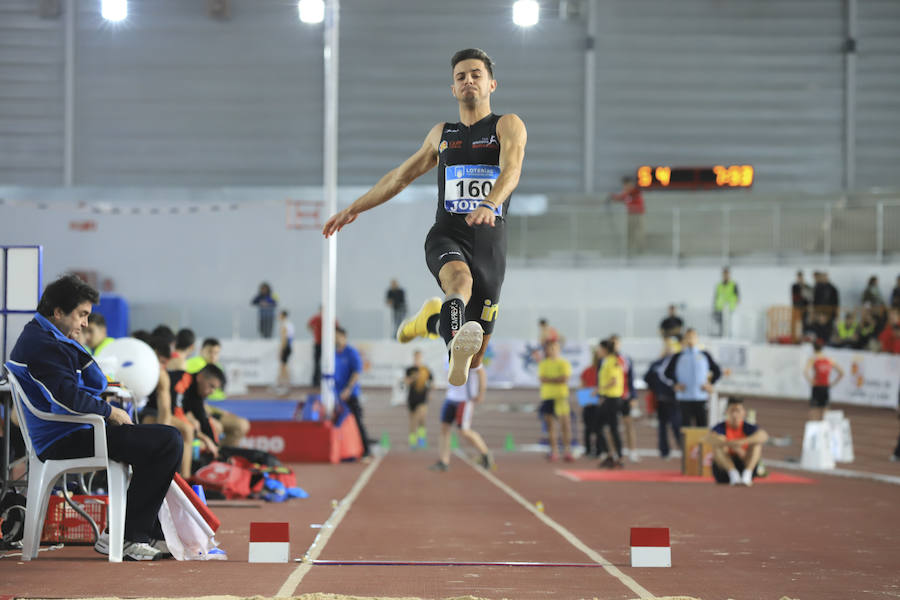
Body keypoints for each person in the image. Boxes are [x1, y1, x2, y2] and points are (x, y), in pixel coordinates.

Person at [322, 48, 527, 388]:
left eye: (476, 74)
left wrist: (490, 203)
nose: (468, 81)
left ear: (492, 84)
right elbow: (399, 177)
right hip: (447, 234)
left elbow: (512, 169)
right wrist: (353, 207)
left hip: (491, 243)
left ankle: (431, 320)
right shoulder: (442, 135)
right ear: (453, 89)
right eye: (460, 77)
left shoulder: (508, 125)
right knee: (459, 282)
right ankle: (451, 346)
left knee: (475, 359)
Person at [9, 274, 181, 560]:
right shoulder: (44, 345)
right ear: (58, 312)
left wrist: (100, 388)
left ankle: (140, 531)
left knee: (157, 443)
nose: (86, 324)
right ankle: (125, 536)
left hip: (70, 432)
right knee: (168, 441)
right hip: (63, 439)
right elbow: (66, 397)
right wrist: (110, 411)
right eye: (82, 315)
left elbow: (81, 382)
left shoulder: (43, 335)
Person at [137, 333, 195, 479]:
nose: (163, 367)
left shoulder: (162, 375)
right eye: (162, 361)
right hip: (132, 414)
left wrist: (164, 437)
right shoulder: (134, 362)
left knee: (186, 430)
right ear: (153, 353)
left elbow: (165, 409)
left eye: (165, 363)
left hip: (148, 413)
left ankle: (184, 479)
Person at [184, 338, 249, 447]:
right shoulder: (192, 366)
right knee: (215, 427)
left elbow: (216, 396)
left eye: (216, 353)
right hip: (196, 412)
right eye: (210, 352)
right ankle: (213, 452)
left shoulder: (217, 369)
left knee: (242, 425)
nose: (213, 356)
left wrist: (218, 411)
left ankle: (220, 452)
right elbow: (190, 400)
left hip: (207, 410)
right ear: (201, 351)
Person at [429, 365, 493, 472]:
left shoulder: (469, 355)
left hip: (465, 399)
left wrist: (481, 393)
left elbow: (481, 372)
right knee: (444, 429)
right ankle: (444, 461)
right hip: (450, 397)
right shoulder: (447, 356)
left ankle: (485, 454)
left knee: (464, 431)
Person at [664, 328, 722, 427]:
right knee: (685, 428)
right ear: (684, 339)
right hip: (684, 397)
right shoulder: (678, 356)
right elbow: (667, 373)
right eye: (688, 337)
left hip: (700, 397)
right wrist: (675, 384)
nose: (690, 340)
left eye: (692, 337)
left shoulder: (704, 355)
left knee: (702, 427)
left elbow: (717, 371)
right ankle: (684, 443)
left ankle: (701, 443)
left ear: (697, 339)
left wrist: (710, 384)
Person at [704, 397, 769, 486]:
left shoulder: (748, 427)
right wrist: (732, 445)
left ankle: (747, 474)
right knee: (718, 444)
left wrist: (741, 443)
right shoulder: (720, 427)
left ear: (743, 413)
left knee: (756, 445)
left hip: (744, 462)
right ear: (726, 412)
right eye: (732, 411)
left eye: (738, 411)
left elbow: (763, 436)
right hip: (725, 471)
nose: (735, 414)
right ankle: (733, 474)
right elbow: (708, 438)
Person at [168, 365, 226, 457]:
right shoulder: (183, 380)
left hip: (170, 418)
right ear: (200, 377)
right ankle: (185, 472)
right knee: (188, 429)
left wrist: (214, 446)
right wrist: (204, 438)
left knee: (208, 427)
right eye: (211, 386)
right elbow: (176, 413)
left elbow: (204, 420)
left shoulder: (197, 393)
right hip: (153, 413)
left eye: (215, 388)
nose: (212, 392)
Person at [334, 326, 372, 460]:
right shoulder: (333, 353)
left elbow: (357, 372)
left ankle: (366, 450)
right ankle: (343, 450)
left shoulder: (351, 352)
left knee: (357, 422)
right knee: (338, 424)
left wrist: (348, 389)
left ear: (344, 337)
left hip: (350, 394)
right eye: (334, 336)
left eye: (337, 336)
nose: (335, 339)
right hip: (336, 395)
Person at [644, 338, 682, 459]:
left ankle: (683, 448)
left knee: (677, 425)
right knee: (662, 426)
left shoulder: (680, 363)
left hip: (675, 400)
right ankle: (664, 451)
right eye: (667, 346)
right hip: (661, 399)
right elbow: (647, 378)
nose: (669, 349)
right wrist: (656, 389)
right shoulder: (658, 363)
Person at [537, 340, 574, 462]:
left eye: (554, 348)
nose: (551, 350)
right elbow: (542, 379)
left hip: (561, 397)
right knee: (551, 426)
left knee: (565, 425)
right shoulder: (543, 364)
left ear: (558, 349)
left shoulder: (564, 363)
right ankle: (554, 451)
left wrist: (550, 379)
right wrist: (556, 379)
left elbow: (565, 378)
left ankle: (567, 450)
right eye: (549, 348)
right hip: (548, 397)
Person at [595, 340, 624, 469]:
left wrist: (599, 390)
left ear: (605, 349)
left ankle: (617, 456)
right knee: (600, 427)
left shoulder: (612, 361)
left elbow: (614, 381)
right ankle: (611, 455)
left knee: (611, 428)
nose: (597, 351)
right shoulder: (606, 361)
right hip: (607, 398)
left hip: (613, 398)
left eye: (599, 349)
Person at [610, 334, 639, 462]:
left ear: (619, 344)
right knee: (612, 425)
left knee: (628, 424)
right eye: (611, 343)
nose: (614, 346)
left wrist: (633, 396)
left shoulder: (626, 359)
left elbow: (631, 379)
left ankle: (632, 451)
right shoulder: (605, 360)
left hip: (625, 396)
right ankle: (616, 452)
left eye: (616, 343)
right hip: (611, 397)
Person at [803, 340, 845, 421]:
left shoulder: (813, 359)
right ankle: (824, 430)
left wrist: (811, 381)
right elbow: (841, 372)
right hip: (825, 387)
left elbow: (805, 371)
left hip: (817, 386)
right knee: (825, 410)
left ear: (813, 348)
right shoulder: (829, 360)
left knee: (814, 410)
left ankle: (814, 429)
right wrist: (833, 383)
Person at [404, 349, 433, 450]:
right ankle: (412, 441)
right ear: (414, 357)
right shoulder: (409, 369)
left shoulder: (425, 369)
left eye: (419, 356)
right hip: (412, 398)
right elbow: (406, 382)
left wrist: (430, 391)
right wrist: (414, 377)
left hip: (422, 397)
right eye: (416, 356)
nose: (417, 358)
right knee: (412, 421)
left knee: (421, 419)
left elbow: (432, 383)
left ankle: (421, 439)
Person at [609, 175, 645, 254]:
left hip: (637, 216)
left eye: (626, 185)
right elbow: (620, 198)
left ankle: (640, 250)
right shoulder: (627, 194)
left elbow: (629, 199)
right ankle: (629, 250)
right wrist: (613, 197)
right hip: (630, 216)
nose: (624, 187)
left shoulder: (635, 192)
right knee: (629, 234)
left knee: (638, 233)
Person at [579, 346, 601, 459]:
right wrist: (584, 402)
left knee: (598, 428)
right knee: (588, 428)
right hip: (589, 403)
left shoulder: (603, 371)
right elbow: (582, 387)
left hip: (600, 403)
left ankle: (599, 450)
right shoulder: (587, 371)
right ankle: (588, 449)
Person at [713, 267, 739, 337]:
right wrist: (715, 308)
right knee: (721, 328)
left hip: (730, 309)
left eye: (727, 274)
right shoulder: (719, 285)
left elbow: (737, 298)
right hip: (720, 309)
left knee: (730, 327)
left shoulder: (733, 285)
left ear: (729, 275)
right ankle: (721, 338)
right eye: (724, 274)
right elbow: (716, 297)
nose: (725, 276)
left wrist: (733, 305)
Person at [790, 271, 812, 343]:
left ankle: (804, 337)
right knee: (796, 324)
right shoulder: (794, 286)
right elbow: (794, 297)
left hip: (805, 308)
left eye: (801, 277)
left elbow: (809, 298)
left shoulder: (807, 286)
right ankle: (795, 338)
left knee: (805, 323)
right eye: (798, 277)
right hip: (797, 308)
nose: (800, 278)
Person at [277, 310, 295, 395]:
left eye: (279, 315)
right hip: (289, 346)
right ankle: (284, 384)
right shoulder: (289, 324)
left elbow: (284, 338)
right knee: (284, 366)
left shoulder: (284, 325)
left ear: (283, 315)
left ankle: (285, 385)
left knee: (283, 367)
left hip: (286, 347)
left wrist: (281, 349)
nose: (278, 316)